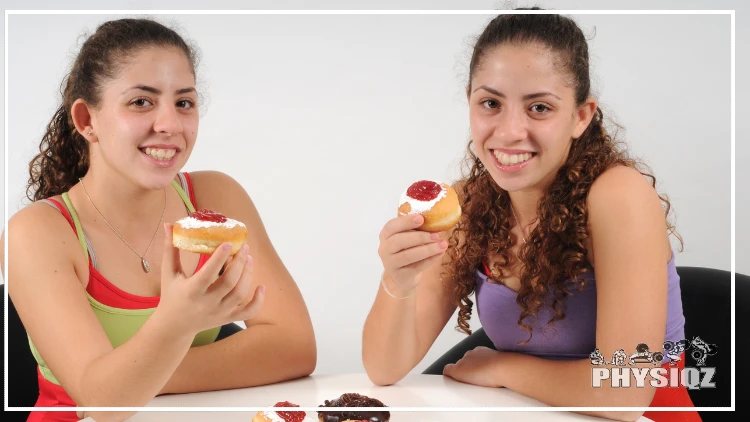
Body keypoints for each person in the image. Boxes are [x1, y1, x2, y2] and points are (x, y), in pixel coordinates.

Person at [363, 11, 700, 422]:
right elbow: (384, 369)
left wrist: (502, 367)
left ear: (581, 116)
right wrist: (398, 282)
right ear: (469, 100)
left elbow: (623, 394)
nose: (509, 131)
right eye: (491, 103)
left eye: (539, 107)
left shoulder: (619, 195)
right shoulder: (468, 205)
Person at [1, 18, 316, 422]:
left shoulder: (214, 199)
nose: (169, 125)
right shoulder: (35, 234)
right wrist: (175, 326)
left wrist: (141, 376)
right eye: (141, 102)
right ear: (86, 120)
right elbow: (100, 404)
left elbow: (294, 346)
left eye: (184, 102)